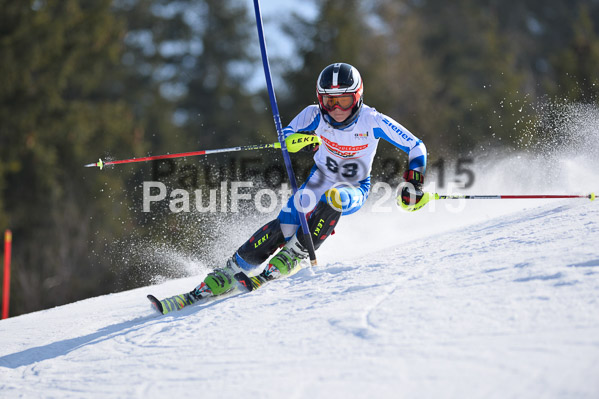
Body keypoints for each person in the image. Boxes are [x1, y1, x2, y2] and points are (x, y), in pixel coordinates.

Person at [151, 62, 427, 313]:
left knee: (334, 199)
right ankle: (230, 270)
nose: (337, 110)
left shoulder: (373, 120)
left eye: (344, 100)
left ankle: (296, 253)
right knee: (285, 224)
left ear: (358, 97)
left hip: (354, 186)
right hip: (319, 179)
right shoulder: (313, 114)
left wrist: (414, 182)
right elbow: (288, 135)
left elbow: (416, 146)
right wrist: (295, 140)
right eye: (329, 102)